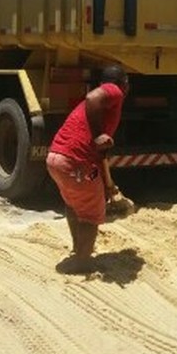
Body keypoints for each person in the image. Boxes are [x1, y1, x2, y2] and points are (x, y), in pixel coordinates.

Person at [46, 65, 130, 274]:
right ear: (124, 83)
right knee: (92, 213)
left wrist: (107, 184)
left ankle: (78, 250)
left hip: (57, 159)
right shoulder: (114, 90)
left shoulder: (102, 111)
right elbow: (93, 98)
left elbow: (99, 154)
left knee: (75, 204)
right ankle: (82, 261)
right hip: (75, 163)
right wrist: (98, 135)